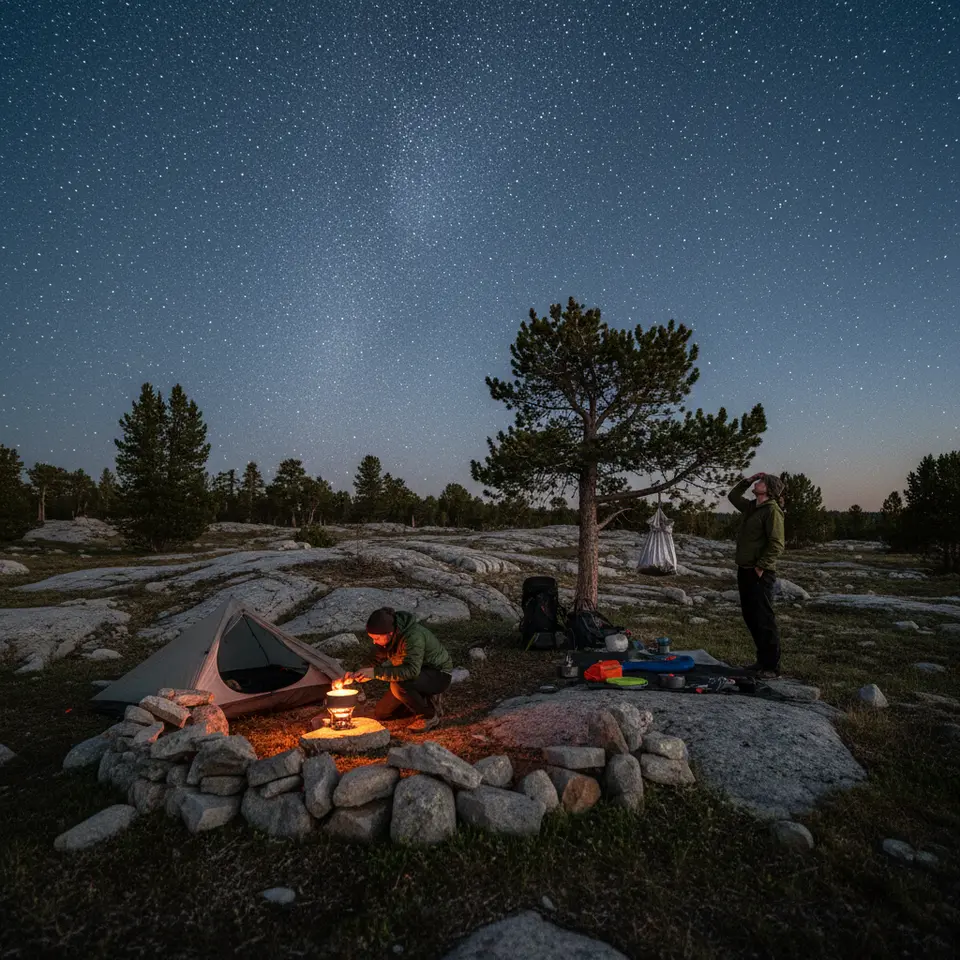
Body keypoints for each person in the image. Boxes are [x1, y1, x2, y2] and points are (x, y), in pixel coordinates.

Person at [347, 606, 453, 732]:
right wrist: (356, 673)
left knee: (398, 684)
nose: (374, 642)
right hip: (416, 676)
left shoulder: (413, 637)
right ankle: (423, 699)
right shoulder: (387, 638)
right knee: (382, 713)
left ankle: (429, 715)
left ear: (390, 633)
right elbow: (375, 659)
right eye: (372, 638)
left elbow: (411, 671)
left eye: (376, 638)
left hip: (438, 674)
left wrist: (375, 673)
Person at [728, 472, 786, 679]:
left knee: (764, 617)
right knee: (750, 616)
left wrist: (761, 567)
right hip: (744, 569)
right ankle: (761, 661)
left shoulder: (772, 511)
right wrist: (748, 480)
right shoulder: (753, 507)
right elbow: (733, 497)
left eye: (761, 482)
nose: (758, 483)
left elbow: (777, 544)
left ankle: (771, 667)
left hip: (759, 572)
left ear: (769, 489)